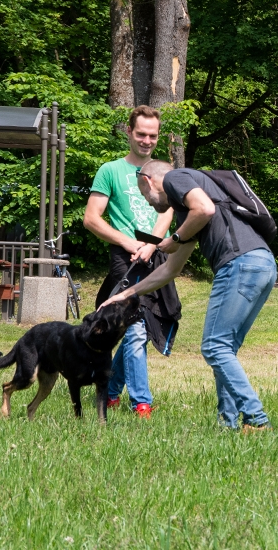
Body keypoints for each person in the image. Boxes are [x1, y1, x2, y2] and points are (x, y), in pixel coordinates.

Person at [100, 160, 276, 431]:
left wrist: (176, 238)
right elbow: (170, 270)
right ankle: (227, 424)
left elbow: (205, 209)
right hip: (262, 265)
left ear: (148, 181)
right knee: (224, 349)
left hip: (238, 263)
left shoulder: (175, 178)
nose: (148, 203)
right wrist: (127, 294)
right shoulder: (187, 212)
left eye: (144, 196)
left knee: (214, 347)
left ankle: (256, 418)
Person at [83, 106, 175, 418]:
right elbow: (91, 219)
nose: (147, 140)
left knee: (144, 328)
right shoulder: (110, 170)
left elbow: (168, 210)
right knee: (135, 328)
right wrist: (128, 242)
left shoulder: (164, 171)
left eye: (153, 135)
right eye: (141, 134)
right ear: (129, 133)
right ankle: (142, 404)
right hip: (126, 259)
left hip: (157, 255)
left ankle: (110, 392)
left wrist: (152, 244)